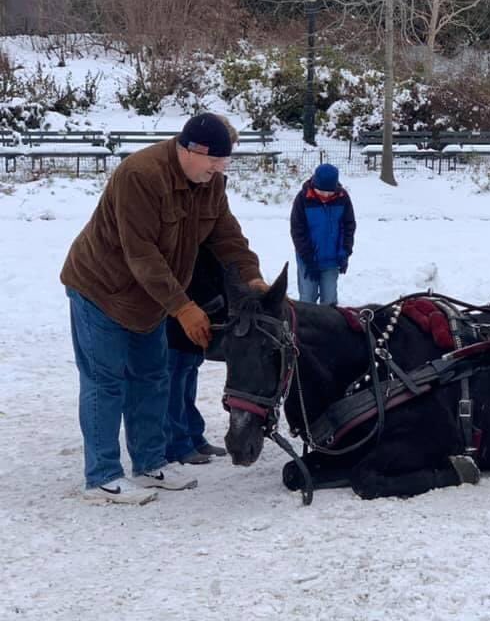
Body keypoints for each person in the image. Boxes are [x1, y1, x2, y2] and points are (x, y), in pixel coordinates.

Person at [61, 112, 270, 504]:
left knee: (152, 378)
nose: (219, 169)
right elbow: (141, 254)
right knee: (105, 382)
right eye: (215, 161)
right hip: (101, 290)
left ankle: (149, 463)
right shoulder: (139, 175)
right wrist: (184, 307)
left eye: (224, 163)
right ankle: (102, 476)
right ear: (192, 150)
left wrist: (253, 279)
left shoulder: (211, 184)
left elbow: (229, 240)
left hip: (150, 301)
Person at [164, 245, 227, 466]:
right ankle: (177, 444)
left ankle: (194, 437)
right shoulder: (182, 242)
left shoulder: (206, 236)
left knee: (188, 376)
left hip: (201, 321)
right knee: (174, 382)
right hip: (178, 319)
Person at [290, 163, 356, 305]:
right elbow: (297, 231)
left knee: (330, 300)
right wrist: (308, 258)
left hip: (332, 260)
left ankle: (329, 327)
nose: (326, 195)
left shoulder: (343, 198)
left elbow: (348, 226)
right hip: (308, 260)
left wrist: (345, 252)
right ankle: (306, 326)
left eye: (329, 192)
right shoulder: (303, 199)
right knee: (307, 299)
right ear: (315, 185)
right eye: (322, 191)